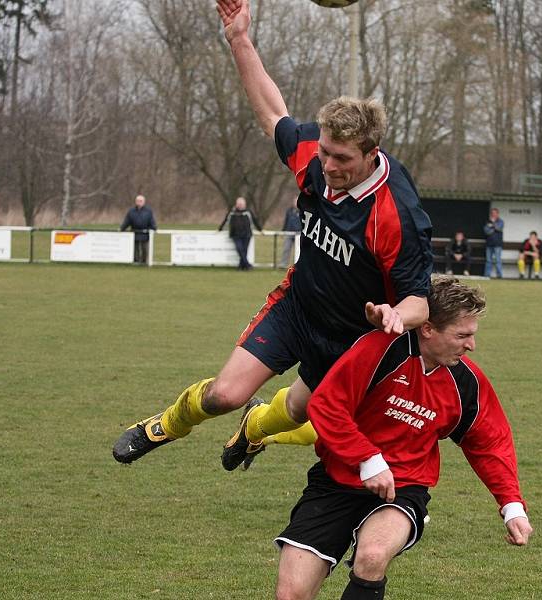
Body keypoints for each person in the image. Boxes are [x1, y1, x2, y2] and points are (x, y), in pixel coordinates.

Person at [112, 0, 433, 472]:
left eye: (341, 158)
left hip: (351, 336)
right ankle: (165, 425)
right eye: (324, 152)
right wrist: (239, 39)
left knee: (306, 415)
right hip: (297, 308)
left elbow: (419, 302)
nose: (328, 165)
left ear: (371, 152)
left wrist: (394, 315)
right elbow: (272, 114)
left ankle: (255, 427)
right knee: (224, 394)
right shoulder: (315, 158)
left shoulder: (397, 214)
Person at [273, 276, 533, 600]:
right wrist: (367, 459)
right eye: (462, 335)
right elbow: (326, 405)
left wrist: (511, 505)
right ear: (428, 328)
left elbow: (489, 442)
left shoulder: (466, 384)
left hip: (403, 490)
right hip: (335, 482)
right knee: (290, 594)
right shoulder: (379, 350)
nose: (471, 345)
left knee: (372, 556)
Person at [218, 196, 261, 270]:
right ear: (236, 204)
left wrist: (260, 229)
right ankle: (247, 265)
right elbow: (226, 221)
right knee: (240, 249)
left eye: (242, 204)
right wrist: (220, 229)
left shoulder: (248, 212)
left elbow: (254, 221)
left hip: (247, 234)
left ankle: (241, 266)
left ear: (245, 204)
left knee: (244, 251)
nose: (240, 205)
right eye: (239, 204)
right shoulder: (232, 212)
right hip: (235, 235)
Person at [120, 195, 157, 264]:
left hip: (145, 233)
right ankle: (136, 261)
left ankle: (144, 262)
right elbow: (127, 221)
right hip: (134, 232)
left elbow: (152, 222)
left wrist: (153, 228)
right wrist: (122, 228)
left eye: (141, 201)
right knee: (135, 248)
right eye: (137, 201)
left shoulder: (148, 211)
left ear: (144, 202)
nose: (139, 202)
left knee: (144, 249)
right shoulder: (131, 211)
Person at [278, 197, 302, 268]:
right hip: (289, 233)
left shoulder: (303, 211)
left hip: (298, 234)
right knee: (286, 248)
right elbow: (286, 221)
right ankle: (283, 264)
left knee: (299, 251)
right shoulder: (289, 211)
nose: (296, 203)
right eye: (294, 202)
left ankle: (299, 265)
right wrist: (283, 231)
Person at [483, 208, 504, 278]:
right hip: (489, 244)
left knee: (498, 261)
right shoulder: (487, 221)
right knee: (488, 261)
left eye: (495, 213)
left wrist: (492, 225)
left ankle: (499, 275)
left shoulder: (501, 221)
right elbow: (486, 232)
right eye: (492, 213)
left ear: (497, 214)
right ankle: (487, 275)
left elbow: (499, 228)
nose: (493, 214)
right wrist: (494, 228)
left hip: (497, 244)